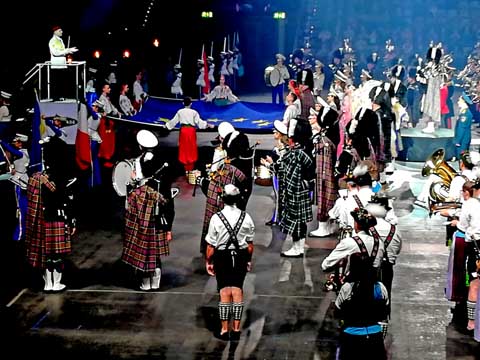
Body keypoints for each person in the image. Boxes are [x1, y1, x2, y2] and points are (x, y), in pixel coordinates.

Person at [121, 133, 175, 291]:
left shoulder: (137, 163)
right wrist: (169, 226)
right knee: (155, 251)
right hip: (158, 214)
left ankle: (145, 282)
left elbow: (130, 187)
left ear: (140, 146)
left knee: (143, 249)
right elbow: (167, 197)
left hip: (140, 212)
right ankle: (155, 282)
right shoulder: (164, 165)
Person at [25, 136, 76, 292]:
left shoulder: (37, 178)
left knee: (46, 254)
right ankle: (56, 284)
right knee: (58, 254)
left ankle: (48, 284)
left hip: (42, 219)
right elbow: (66, 201)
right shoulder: (62, 179)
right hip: (59, 218)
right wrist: (72, 221)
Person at [205, 183, 255, 341]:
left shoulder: (216, 218)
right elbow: (250, 244)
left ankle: (224, 329)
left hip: (222, 256)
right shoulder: (246, 217)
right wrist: (248, 260)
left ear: (223, 199)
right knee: (238, 290)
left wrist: (209, 261)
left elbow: (211, 245)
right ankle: (237, 328)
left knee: (224, 291)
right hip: (240, 255)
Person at [334, 252, 389, 359]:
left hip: (351, 338)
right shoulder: (380, 287)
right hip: (374, 338)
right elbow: (384, 311)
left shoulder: (347, 288)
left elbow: (337, 312)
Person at [279, 119, 315, 257]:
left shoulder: (296, 154)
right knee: (301, 221)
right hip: (303, 188)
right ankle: (299, 247)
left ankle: (297, 248)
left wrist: (271, 165)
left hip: (295, 190)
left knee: (295, 220)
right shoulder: (305, 150)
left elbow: (285, 172)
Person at [164, 97, 213, 175]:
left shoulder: (180, 111)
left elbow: (173, 121)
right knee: (191, 148)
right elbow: (199, 122)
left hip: (183, 131)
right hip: (191, 131)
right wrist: (208, 125)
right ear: (191, 103)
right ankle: (189, 169)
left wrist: (166, 126)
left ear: (183, 103)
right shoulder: (194, 112)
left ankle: (186, 170)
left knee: (184, 148)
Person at [0, 134, 29, 241]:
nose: (15, 143)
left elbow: (13, 151)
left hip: (20, 181)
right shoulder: (19, 153)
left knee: (20, 209)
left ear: (21, 143)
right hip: (17, 179)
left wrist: (2, 142)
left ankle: (19, 235)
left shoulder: (22, 153)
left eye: (16, 141)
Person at [260, 120, 289, 226]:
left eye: (275, 132)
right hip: (276, 172)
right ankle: (277, 217)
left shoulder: (282, 148)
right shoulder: (279, 146)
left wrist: (268, 164)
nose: (273, 134)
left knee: (279, 196)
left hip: (279, 174)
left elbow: (280, 163)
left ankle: (277, 219)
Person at [48, 26, 78, 100]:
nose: (62, 32)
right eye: (60, 31)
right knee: (56, 82)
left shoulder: (60, 40)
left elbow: (62, 50)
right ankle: (55, 97)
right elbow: (55, 52)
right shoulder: (52, 41)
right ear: (55, 32)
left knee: (62, 82)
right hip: (56, 65)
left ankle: (61, 96)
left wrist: (69, 50)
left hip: (62, 64)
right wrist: (66, 51)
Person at [454, 94, 473, 159]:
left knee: (462, 159)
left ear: (464, 102)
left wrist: (458, 141)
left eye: (459, 101)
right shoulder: (463, 112)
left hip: (463, 140)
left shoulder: (465, 114)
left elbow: (461, 128)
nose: (458, 102)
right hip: (463, 139)